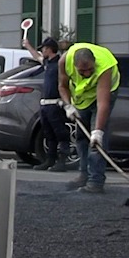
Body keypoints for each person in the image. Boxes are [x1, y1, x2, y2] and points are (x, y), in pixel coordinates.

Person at [58, 42, 119, 194]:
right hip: (82, 97)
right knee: (81, 136)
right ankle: (83, 174)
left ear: (95, 63)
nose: (86, 74)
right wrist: (68, 105)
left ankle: (96, 181)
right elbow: (63, 86)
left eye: (90, 70)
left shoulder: (105, 66)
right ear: (75, 65)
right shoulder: (64, 62)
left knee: (96, 140)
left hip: (105, 92)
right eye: (82, 71)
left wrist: (98, 131)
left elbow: (102, 103)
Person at [24, 36, 68, 171]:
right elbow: (37, 57)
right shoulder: (48, 63)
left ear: (49, 49)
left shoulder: (60, 64)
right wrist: (28, 46)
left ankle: (62, 161)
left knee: (60, 133)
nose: (42, 51)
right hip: (45, 105)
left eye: (43, 49)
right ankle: (50, 160)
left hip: (55, 104)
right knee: (48, 133)